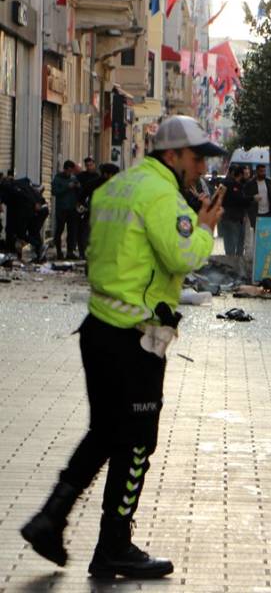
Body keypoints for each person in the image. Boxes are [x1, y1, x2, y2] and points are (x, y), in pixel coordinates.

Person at [20, 116, 225, 579]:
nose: (200, 168)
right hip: (136, 335)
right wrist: (205, 227)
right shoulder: (160, 195)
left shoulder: (118, 187)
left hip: (99, 325)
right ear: (171, 156)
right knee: (136, 443)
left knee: (105, 432)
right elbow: (182, 256)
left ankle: (50, 520)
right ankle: (114, 545)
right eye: (196, 158)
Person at [52, 160, 82, 259]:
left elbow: (80, 191)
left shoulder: (74, 178)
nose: (70, 173)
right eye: (68, 170)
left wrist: (78, 187)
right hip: (61, 209)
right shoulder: (58, 178)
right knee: (59, 230)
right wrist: (67, 187)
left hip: (72, 209)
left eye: (71, 171)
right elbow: (55, 191)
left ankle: (70, 252)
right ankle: (59, 251)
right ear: (65, 169)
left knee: (72, 231)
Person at [219, 165, 250, 257]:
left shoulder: (241, 185)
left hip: (236, 217)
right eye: (246, 173)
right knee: (232, 242)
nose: (247, 175)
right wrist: (251, 199)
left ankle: (235, 262)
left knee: (237, 242)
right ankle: (232, 263)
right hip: (231, 218)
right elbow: (238, 199)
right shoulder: (230, 184)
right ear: (240, 174)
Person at [76, 158, 100, 259]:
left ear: (94, 165)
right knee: (83, 231)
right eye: (88, 165)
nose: (89, 167)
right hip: (84, 208)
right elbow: (81, 192)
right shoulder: (81, 176)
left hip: (95, 208)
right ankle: (83, 252)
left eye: (91, 165)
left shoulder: (97, 177)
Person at [243, 164, 271, 229]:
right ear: (257, 171)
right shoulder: (250, 183)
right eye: (261, 171)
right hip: (255, 213)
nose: (263, 173)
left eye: (264, 171)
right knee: (257, 231)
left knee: (266, 231)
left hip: (268, 212)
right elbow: (246, 197)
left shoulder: (268, 182)